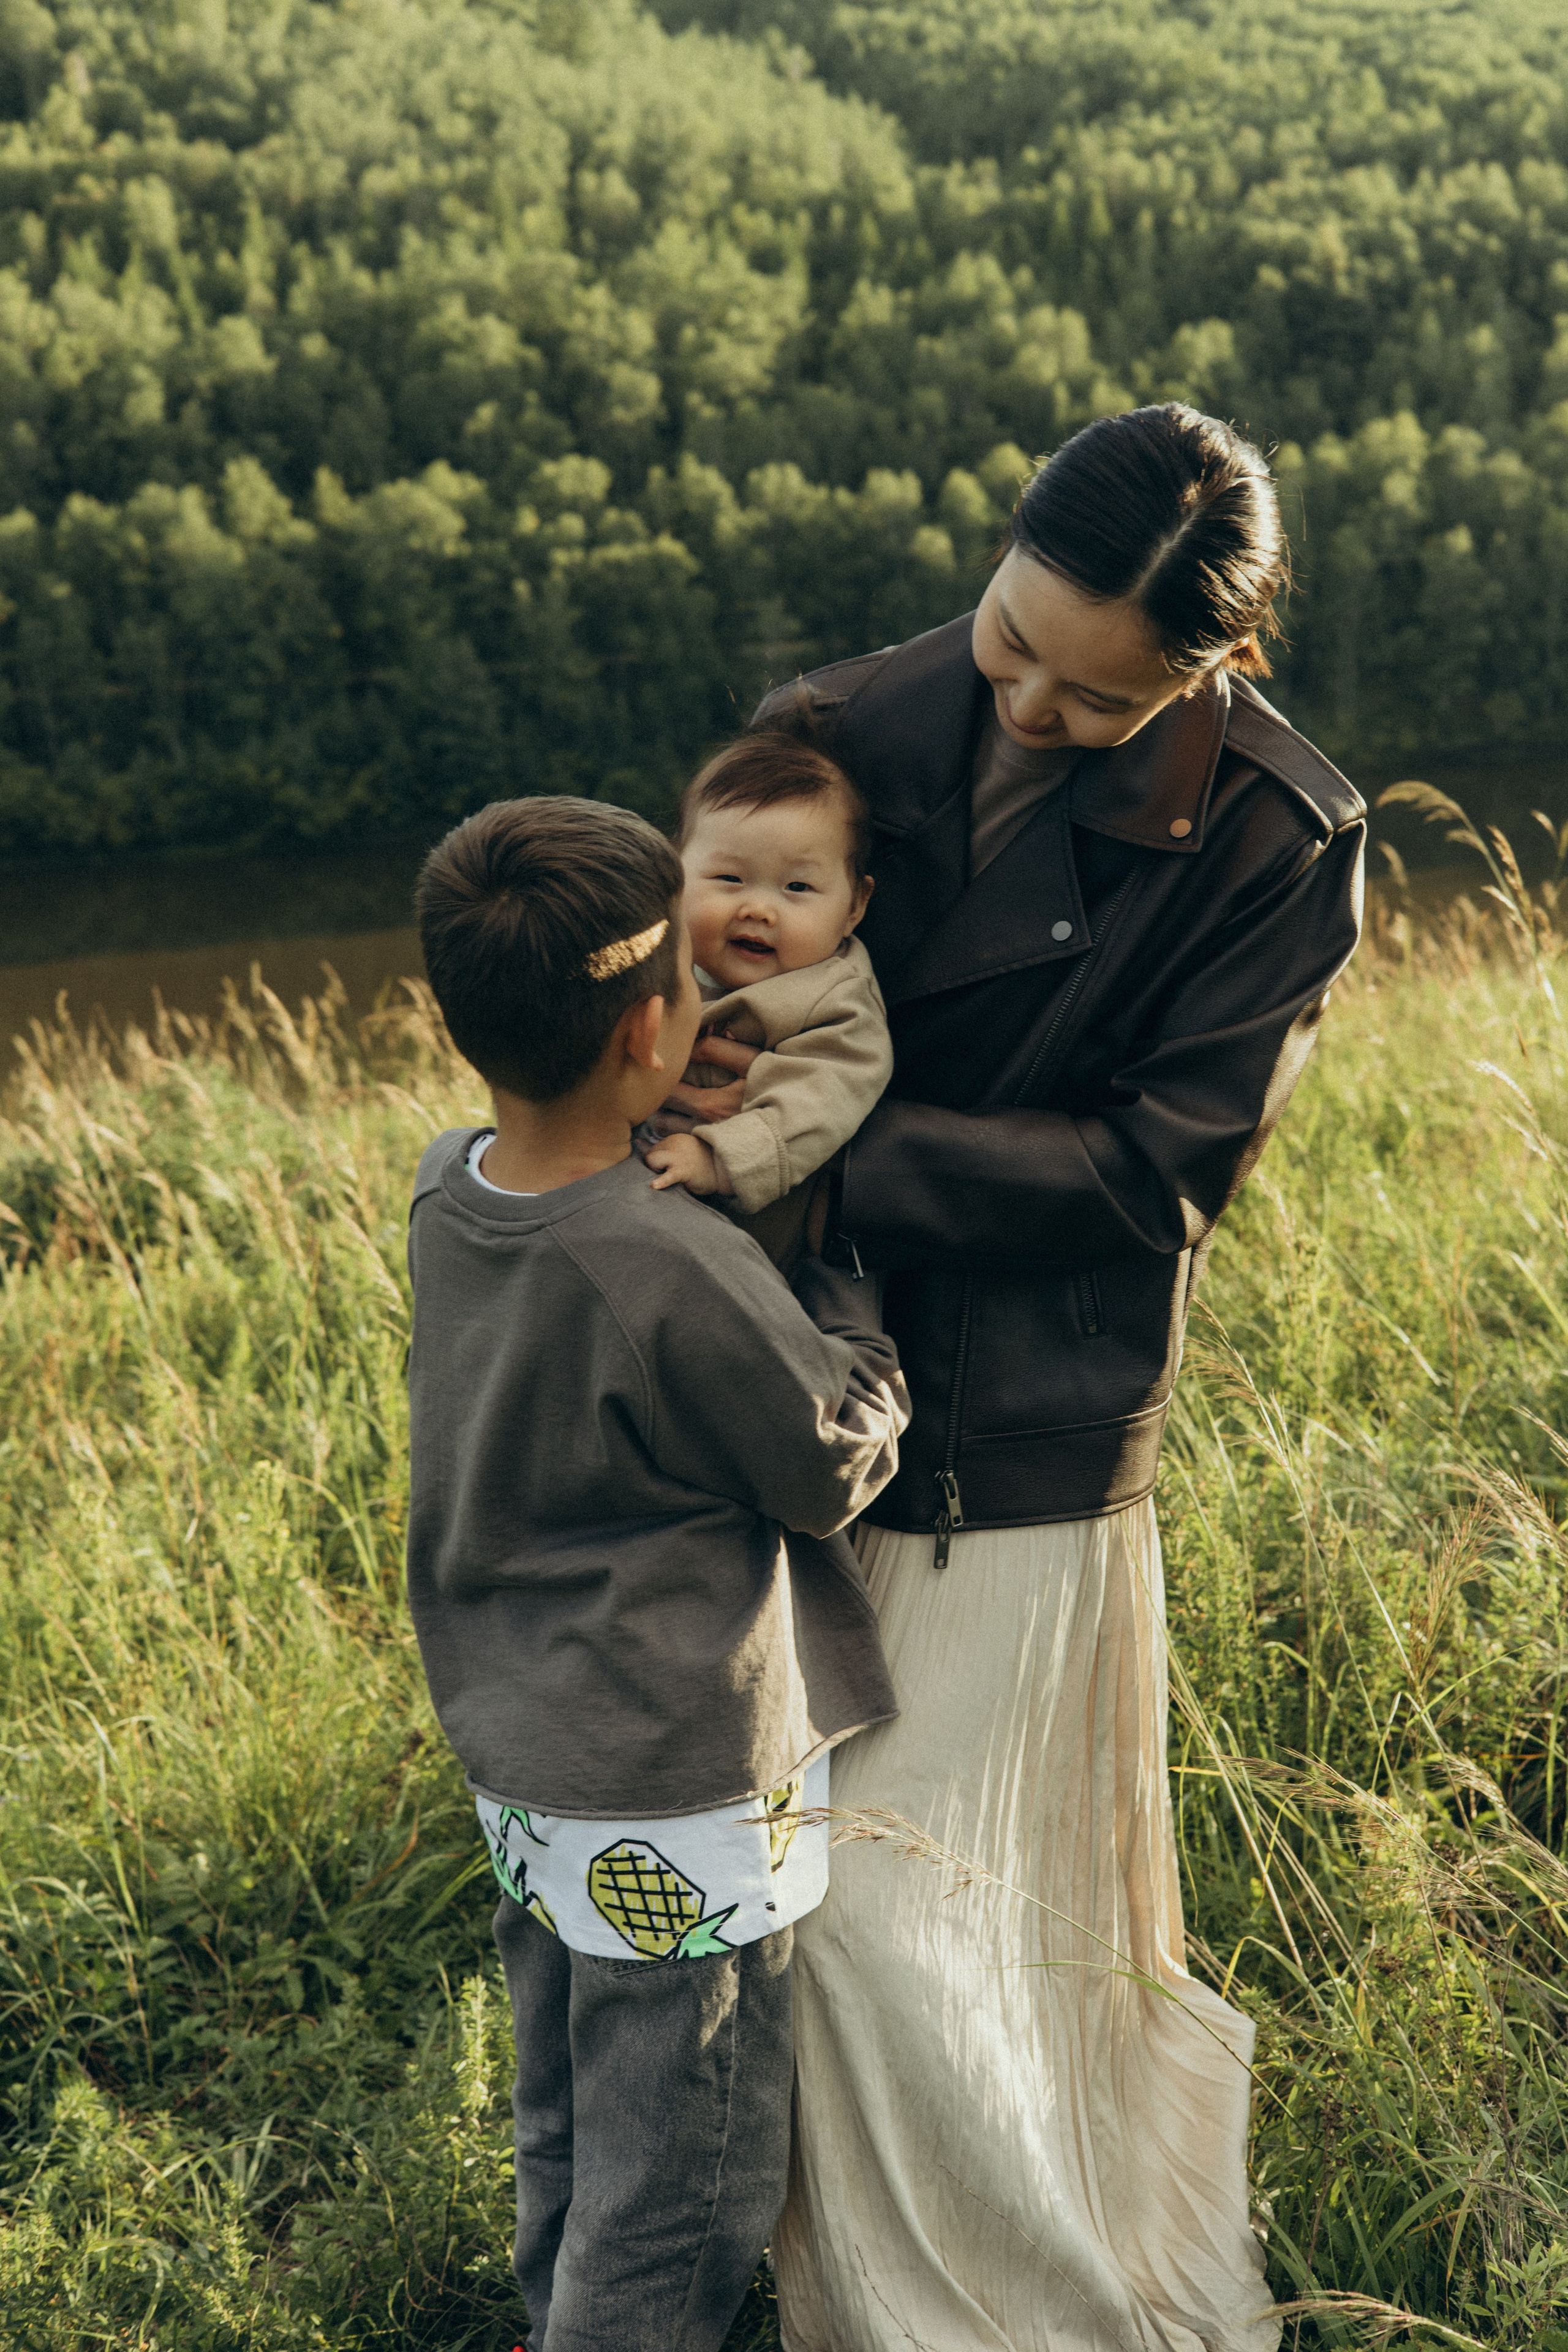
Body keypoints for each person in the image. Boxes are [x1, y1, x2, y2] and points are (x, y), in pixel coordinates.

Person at [699, 404, 1364, 2351]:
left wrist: (821, 1147)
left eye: (1096, 698)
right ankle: (842, 2278)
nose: (1025, 708)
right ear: (996, 551)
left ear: (1216, 661)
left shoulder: (1275, 836)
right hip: (788, 1396)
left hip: (1022, 1429)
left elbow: (1158, 1176)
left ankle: (992, 2307)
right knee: (784, 1890)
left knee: (890, 1918)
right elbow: (713, 984)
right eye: (1010, 645)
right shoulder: (836, 719)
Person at [403, 796, 909, 2352]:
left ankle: (552, 2317)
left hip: (528, 1757)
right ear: (647, 1030)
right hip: (677, 1786)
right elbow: (829, 1454)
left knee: (566, 2108)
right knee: (681, 2176)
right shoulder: (664, 1253)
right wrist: (848, 1304)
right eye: (695, 979)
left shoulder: (451, 1183)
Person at [641, 733, 893, 1275]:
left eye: (797, 887)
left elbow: (824, 1094)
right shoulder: (652, 961)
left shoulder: (834, 998)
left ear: (855, 906)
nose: (758, 908)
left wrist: (721, 1157)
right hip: (651, 1226)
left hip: (768, 1254)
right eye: (729, 879)